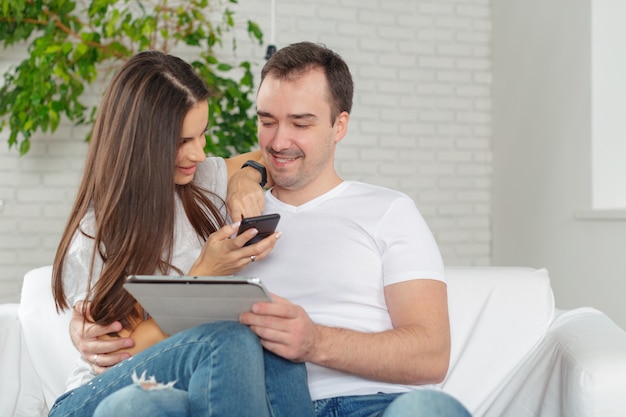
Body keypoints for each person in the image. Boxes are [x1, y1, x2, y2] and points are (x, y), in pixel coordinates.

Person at [49, 50, 314, 417]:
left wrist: (244, 177)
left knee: (277, 336)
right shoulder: (95, 233)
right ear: (144, 144)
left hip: (181, 385)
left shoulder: (200, 178)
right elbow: (122, 353)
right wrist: (204, 274)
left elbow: (274, 155)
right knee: (231, 337)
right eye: (182, 141)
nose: (200, 153)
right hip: (94, 394)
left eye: (202, 135)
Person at [235, 41, 472, 416]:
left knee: (430, 409)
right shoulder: (234, 212)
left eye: (301, 123)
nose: (279, 142)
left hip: (376, 406)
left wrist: (315, 343)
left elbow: (432, 354)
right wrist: (246, 177)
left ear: (339, 125)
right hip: (268, 406)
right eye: (267, 122)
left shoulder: (389, 211)